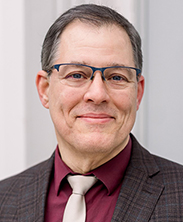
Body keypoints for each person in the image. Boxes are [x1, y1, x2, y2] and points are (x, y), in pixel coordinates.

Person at [0, 4, 183, 222]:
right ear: (45, 89)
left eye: (117, 77)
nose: (97, 94)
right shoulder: (4, 199)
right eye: (77, 75)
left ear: (138, 93)